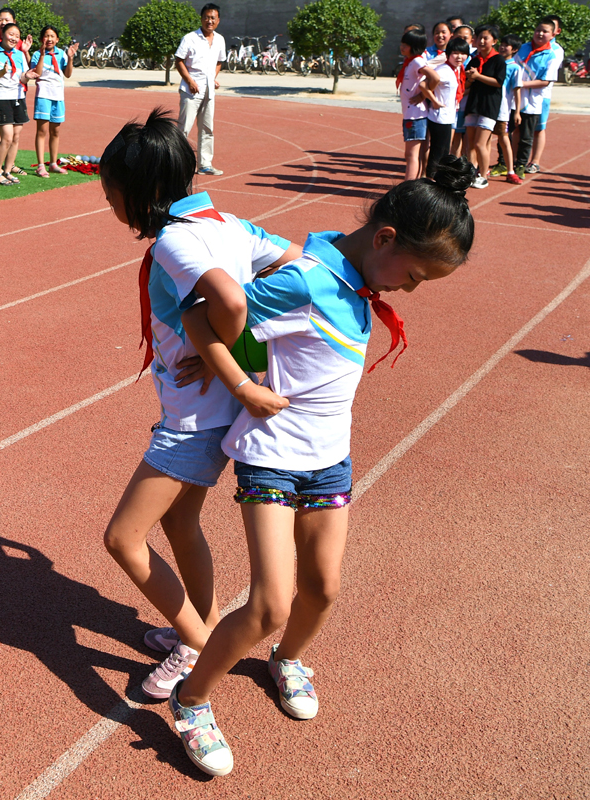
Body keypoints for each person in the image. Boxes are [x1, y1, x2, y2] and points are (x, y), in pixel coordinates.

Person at [169, 156, 476, 778]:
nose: (409, 291)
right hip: (273, 458)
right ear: (385, 239)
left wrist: (234, 355)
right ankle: (191, 700)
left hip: (330, 459)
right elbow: (204, 315)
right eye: (414, 277)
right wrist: (237, 380)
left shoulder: (360, 279)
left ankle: (286, 661)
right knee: (268, 604)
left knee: (324, 590)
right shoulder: (307, 279)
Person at [97, 109, 302, 704]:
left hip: (194, 420)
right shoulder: (228, 222)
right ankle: (196, 627)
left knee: (123, 540)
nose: (107, 201)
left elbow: (231, 300)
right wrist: (221, 345)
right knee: (180, 523)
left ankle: (200, 641)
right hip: (209, 414)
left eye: (109, 190)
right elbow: (291, 259)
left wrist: (223, 351)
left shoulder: (174, 241)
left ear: (139, 192)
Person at [173, 4, 226, 176]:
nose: (209, 21)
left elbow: (219, 61)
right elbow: (179, 60)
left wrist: (213, 77)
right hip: (191, 90)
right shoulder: (190, 38)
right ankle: (176, 164)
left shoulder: (219, 40)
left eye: (213, 18)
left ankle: (205, 164)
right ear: (201, 18)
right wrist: (190, 80)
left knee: (207, 128)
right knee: (184, 128)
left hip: (209, 90)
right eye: (206, 17)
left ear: (218, 20)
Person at [0, 7, 31, 174]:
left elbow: (24, 73)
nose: (3, 22)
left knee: (14, 135)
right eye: (0, 20)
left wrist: (26, 57)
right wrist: (1, 73)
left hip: (17, 94)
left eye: (7, 20)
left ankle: (8, 168)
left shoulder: (19, 50)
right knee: (0, 132)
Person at [28, 27, 76, 178]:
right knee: (42, 131)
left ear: (57, 40)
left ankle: (53, 163)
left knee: (55, 131)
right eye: (46, 36)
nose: (49, 39)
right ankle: (41, 165)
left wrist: (71, 58)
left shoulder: (61, 53)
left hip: (58, 97)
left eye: (52, 36)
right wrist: (42, 55)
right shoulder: (36, 54)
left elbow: (67, 74)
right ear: (42, 39)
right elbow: (37, 73)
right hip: (43, 95)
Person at [513, 17, 558, 178]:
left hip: (532, 101)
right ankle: (508, 162)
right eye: (538, 30)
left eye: (545, 32)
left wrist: (521, 84)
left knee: (526, 135)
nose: (540, 34)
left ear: (552, 35)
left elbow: (545, 81)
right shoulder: (522, 48)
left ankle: (521, 165)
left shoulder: (551, 55)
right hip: (514, 99)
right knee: (511, 131)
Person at [462, 24, 506, 188]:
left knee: (481, 143)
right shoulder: (473, 60)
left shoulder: (498, 60)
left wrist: (478, 76)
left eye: (485, 38)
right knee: (470, 143)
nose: (481, 41)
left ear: (494, 41)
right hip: (473, 104)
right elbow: (465, 85)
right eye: (479, 37)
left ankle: (483, 174)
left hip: (489, 106)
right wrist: (470, 79)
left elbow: (498, 82)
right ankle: (471, 173)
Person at [421, 40, 463, 179]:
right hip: (440, 117)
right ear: (448, 54)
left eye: (463, 54)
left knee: (443, 151)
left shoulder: (454, 70)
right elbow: (423, 85)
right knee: (438, 152)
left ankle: (436, 181)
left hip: (446, 116)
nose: (459, 57)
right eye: (455, 53)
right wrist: (435, 101)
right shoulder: (443, 70)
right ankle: (430, 181)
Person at [526, 15, 562, 173]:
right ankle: (516, 160)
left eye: (548, 29)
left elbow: (547, 76)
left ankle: (535, 161)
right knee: (519, 127)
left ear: (555, 32)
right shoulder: (527, 47)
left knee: (538, 128)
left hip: (542, 94)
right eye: (539, 29)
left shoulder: (556, 50)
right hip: (522, 93)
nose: (542, 33)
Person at [489, 34, 522, 184]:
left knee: (504, 138)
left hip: (502, 108)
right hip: (489, 106)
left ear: (514, 49)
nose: (502, 47)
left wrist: (517, 111)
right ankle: (480, 168)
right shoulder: (494, 62)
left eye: (506, 45)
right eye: (501, 44)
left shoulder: (514, 67)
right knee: (485, 137)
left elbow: (517, 90)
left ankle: (510, 170)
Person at [398, 29, 430, 180]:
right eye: (402, 43)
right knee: (409, 153)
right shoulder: (409, 62)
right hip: (410, 113)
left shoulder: (417, 61)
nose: (402, 47)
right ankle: (410, 184)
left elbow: (434, 77)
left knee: (412, 154)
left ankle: (409, 186)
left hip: (415, 115)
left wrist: (423, 94)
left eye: (406, 44)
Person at [449, 25, 473, 156]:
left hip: (468, 102)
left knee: (469, 136)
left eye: (466, 38)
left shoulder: (474, 59)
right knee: (456, 134)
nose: (463, 40)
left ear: (471, 40)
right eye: (459, 37)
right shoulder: (450, 58)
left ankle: (467, 164)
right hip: (454, 103)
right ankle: (454, 161)